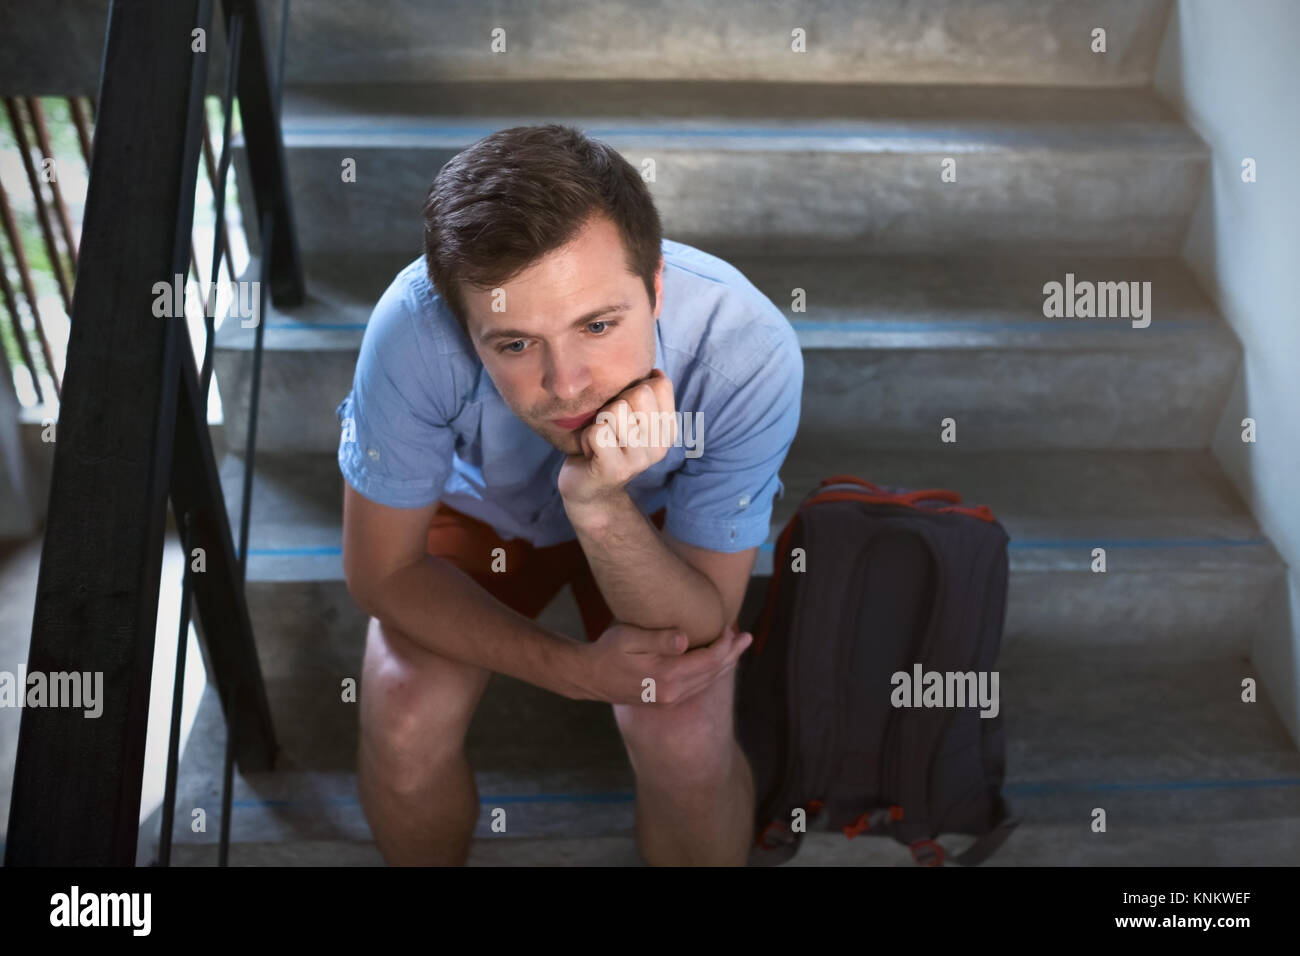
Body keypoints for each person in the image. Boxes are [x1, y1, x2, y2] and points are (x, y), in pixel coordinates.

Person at [336, 123, 803, 865]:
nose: (566, 384)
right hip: (479, 507)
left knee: (684, 736)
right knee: (402, 711)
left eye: (598, 324)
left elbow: (702, 620)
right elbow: (382, 573)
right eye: (515, 343)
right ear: (464, 323)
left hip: (648, 515)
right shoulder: (413, 329)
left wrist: (596, 502)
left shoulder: (745, 349)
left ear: (653, 287)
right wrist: (576, 671)